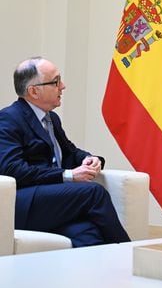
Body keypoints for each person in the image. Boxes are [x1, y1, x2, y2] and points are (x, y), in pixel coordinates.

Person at [0, 56, 130, 247]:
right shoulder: (9, 119)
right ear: (34, 91)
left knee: (87, 232)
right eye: (56, 81)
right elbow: (12, 169)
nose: (63, 86)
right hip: (24, 203)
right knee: (93, 192)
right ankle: (132, 256)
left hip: (52, 200)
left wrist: (90, 159)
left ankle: (100, 275)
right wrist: (68, 175)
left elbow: (70, 152)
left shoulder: (51, 118)